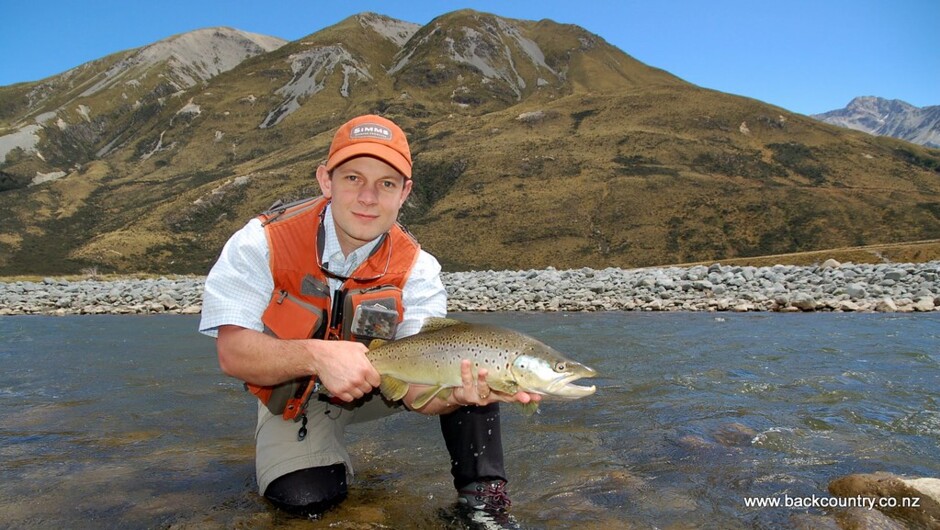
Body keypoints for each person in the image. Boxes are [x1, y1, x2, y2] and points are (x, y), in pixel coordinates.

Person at [199, 114, 540, 518]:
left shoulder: (418, 267)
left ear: (405, 193)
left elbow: (414, 394)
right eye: (353, 178)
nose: (368, 197)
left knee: (474, 364)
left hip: (383, 382)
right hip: (297, 393)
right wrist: (317, 357)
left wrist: (455, 397)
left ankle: (483, 503)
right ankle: (314, 456)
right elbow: (233, 354)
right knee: (305, 502)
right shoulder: (261, 241)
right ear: (326, 180)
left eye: (387, 184)